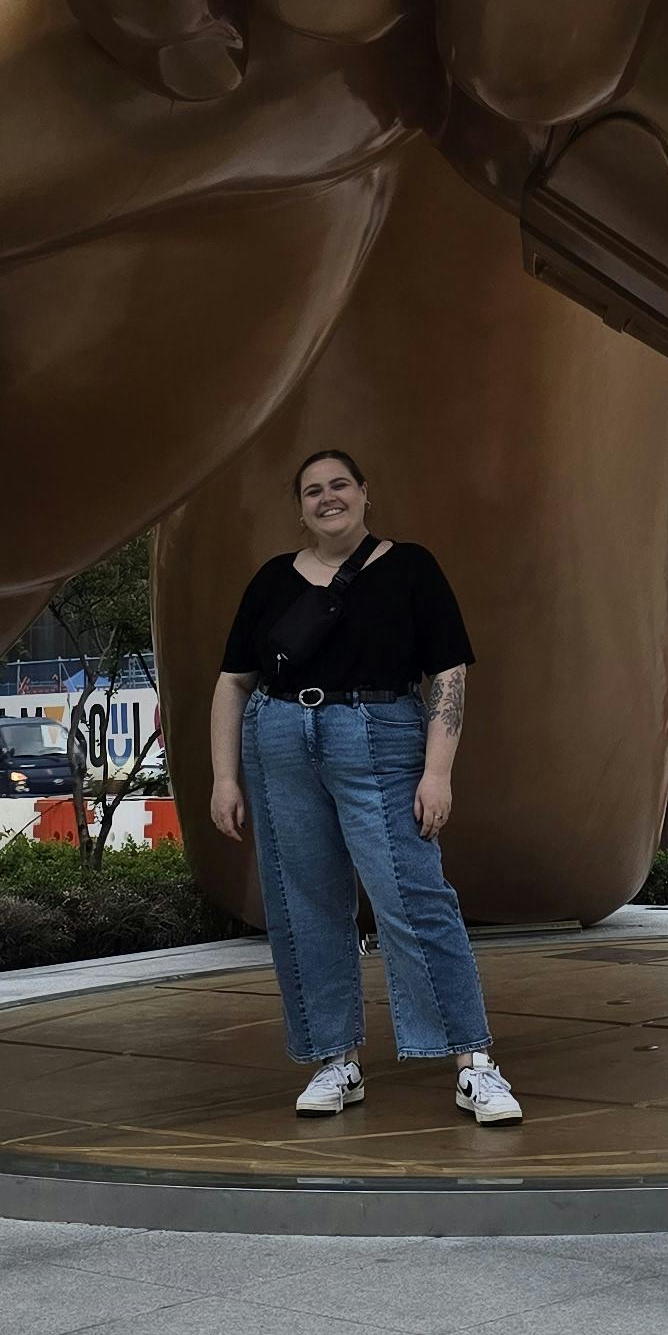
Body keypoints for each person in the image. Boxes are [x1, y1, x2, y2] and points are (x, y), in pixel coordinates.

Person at [209, 447, 518, 1122]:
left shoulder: (410, 567)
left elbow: (450, 675)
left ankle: (473, 1062)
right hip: (281, 738)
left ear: (364, 493)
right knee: (304, 905)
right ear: (300, 507)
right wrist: (224, 778)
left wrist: (438, 772)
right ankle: (335, 1060)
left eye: (339, 485)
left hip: (379, 734)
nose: (328, 498)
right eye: (313, 490)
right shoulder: (271, 580)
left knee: (413, 894)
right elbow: (234, 682)